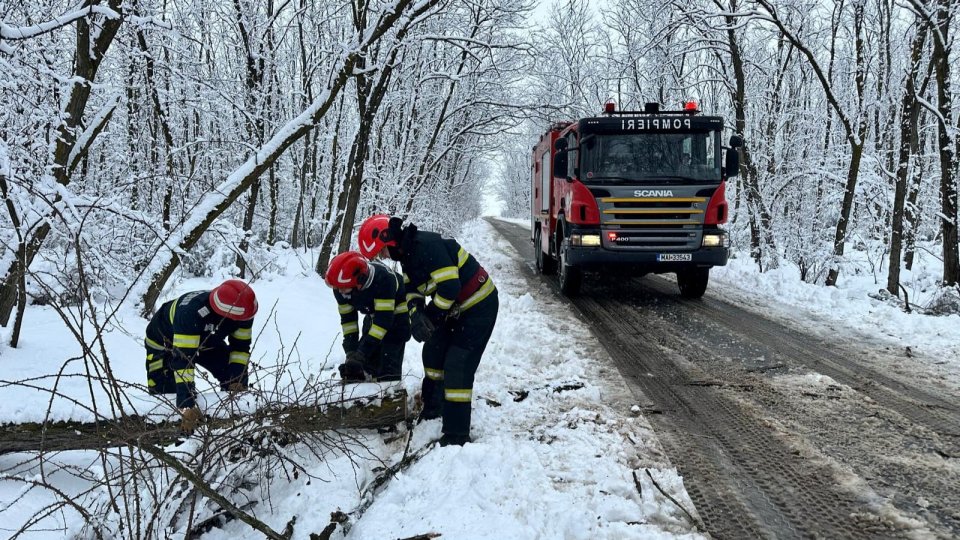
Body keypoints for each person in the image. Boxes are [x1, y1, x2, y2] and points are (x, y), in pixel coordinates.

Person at [358, 214, 498, 447]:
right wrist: (416, 315)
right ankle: (434, 409)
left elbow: (450, 287)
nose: (384, 257)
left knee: (457, 364)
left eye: (382, 252)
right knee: (433, 352)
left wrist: (430, 317)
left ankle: (456, 434)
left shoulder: (427, 246)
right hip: (453, 309)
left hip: (478, 306)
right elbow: (411, 290)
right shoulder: (406, 257)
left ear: (388, 240)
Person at [144, 279, 257, 433]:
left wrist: (236, 379)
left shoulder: (243, 311)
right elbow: (183, 360)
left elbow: (240, 348)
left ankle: (232, 430)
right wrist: (186, 405)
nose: (246, 322)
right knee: (166, 394)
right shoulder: (190, 313)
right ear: (226, 313)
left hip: (207, 339)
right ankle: (170, 439)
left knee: (235, 380)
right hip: (166, 343)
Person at [324, 250, 410, 382]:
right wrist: (351, 353)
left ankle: (390, 388)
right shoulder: (340, 288)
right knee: (367, 361)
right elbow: (348, 321)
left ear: (360, 280)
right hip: (373, 312)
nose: (340, 292)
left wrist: (362, 353)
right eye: (337, 288)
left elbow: (383, 322)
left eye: (344, 288)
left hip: (397, 310)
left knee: (388, 358)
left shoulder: (384, 279)